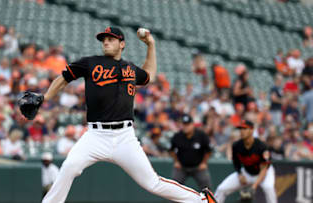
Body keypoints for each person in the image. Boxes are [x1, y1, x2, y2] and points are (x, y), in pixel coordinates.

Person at [40, 27, 216, 203]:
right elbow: (63, 78)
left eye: (111, 39)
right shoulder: (89, 63)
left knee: (152, 183)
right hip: (95, 135)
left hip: (124, 137)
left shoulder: (129, 68)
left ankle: (201, 200)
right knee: (69, 167)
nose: (106, 42)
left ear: (122, 44)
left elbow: (149, 76)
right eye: (104, 39)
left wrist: (151, 45)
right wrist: (45, 97)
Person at [215, 120, 277, 203]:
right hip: (247, 172)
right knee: (221, 189)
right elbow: (236, 162)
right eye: (240, 129)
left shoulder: (261, 146)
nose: (241, 131)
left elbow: (264, 169)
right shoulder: (236, 145)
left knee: (268, 188)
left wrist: (254, 186)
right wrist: (240, 174)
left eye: (244, 128)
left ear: (252, 130)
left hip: (264, 173)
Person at [169, 114, 213, 190]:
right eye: (184, 124)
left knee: (206, 187)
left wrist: (204, 163)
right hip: (182, 167)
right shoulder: (177, 136)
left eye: (188, 124)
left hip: (198, 167)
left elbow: (208, 150)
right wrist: (176, 161)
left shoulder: (201, 135)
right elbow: (171, 150)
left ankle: (208, 201)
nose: (185, 127)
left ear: (192, 124)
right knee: (174, 187)